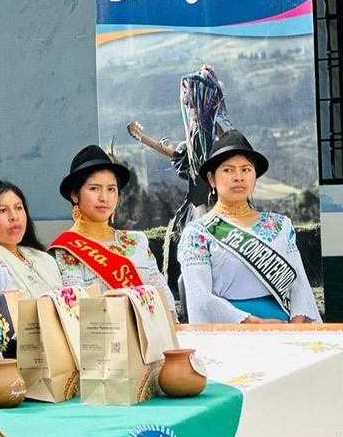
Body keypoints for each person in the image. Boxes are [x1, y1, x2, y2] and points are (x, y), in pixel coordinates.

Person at [178, 130, 321, 323]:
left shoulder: (281, 226)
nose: (239, 177)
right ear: (211, 178)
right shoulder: (197, 233)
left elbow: (299, 286)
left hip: (284, 329)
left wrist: (295, 328)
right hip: (230, 331)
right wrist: (256, 324)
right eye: (228, 170)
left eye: (246, 169)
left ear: (254, 177)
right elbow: (200, 298)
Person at [50, 145, 176, 309]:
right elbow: (78, 310)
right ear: (75, 195)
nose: (104, 197)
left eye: (111, 189)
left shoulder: (137, 241)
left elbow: (165, 301)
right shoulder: (66, 251)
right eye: (94, 188)